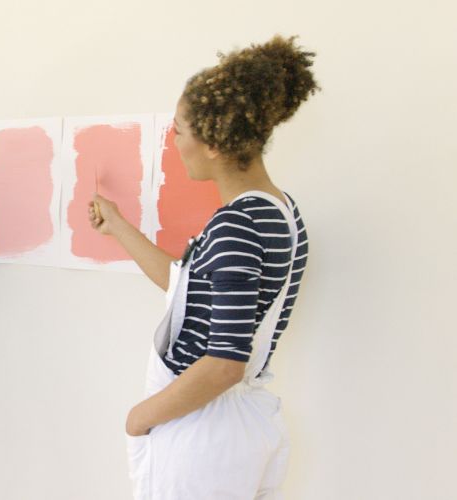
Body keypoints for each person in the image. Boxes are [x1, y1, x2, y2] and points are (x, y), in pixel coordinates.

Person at [90, 35, 318, 499]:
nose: (173, 141)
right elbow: (188, 287)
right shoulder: (278, 210)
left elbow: (224, 364)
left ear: (213, 143)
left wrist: (142, 417)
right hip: (230, 430)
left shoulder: (237, 224)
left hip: (202, 433)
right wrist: (117, 224)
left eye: (178, 130)